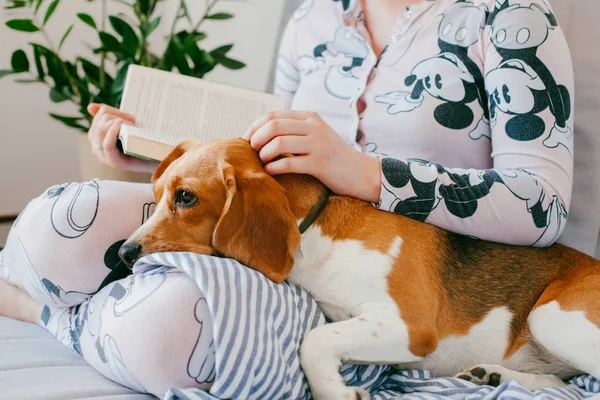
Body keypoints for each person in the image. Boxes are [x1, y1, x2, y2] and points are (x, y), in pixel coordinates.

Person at [0, 0, 574, 397]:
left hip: (387, 280)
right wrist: (165, 160)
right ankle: (76, 310)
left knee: (165, 330)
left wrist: (365, 172)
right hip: (280, 240)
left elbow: (541, 206)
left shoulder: (511, 18)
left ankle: (46, 314)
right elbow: (260, 156)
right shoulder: (312, 18)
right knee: (59, 224)